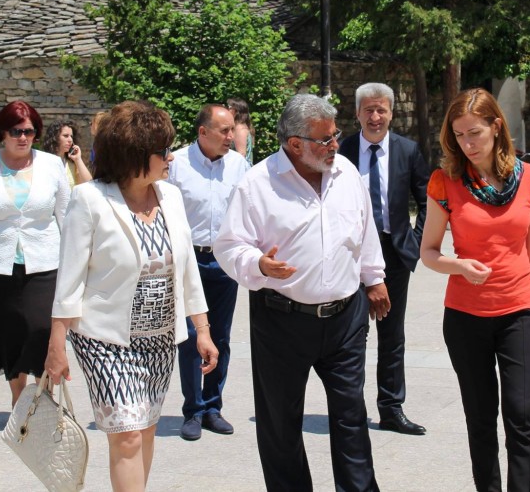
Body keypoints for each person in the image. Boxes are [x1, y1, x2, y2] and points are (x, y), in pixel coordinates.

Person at [214, 94, 389, 492]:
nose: (335, 145)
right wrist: (258, 264)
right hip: (282, 320)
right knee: (280, 422)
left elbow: (364, 232)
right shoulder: (257, 183)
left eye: (336, 135)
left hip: (345, 318)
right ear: (295, 144)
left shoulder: (346, 173)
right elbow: (229, 245)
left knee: (351, 416)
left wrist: (374, 278)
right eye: (325, 139)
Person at [47, 101, 217, 492]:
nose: (171, 157)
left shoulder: (170, 196)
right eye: (162, 150)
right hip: (105, 340)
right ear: (134, 155)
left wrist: (202, 330)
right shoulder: (89, 199)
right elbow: (69, 278)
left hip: (160, 339)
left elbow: (186, 268)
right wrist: (56, 345)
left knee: (146, 429)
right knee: (126, 435)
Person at [419, 88, 530, 492]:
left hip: (519, 312)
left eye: (475, 133)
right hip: (465, 318)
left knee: (522, 416)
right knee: (481, 419)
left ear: (496, 127)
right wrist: (458, 265)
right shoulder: (445, 182)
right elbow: (429, 252)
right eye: (459, 135)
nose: (467, 144)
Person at [0, 100, 70, 407]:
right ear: (2, 133)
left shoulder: (53, 165)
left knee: (42, 331)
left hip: (44, 265)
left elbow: (66, 217)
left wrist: (76, 262)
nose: (23, 137)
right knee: (9, 336)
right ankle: (19, 401)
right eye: (16, 131)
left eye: (29, 131)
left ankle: (45, 401)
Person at [338, 82, 430, 436]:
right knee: (352, 335)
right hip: (352, 255)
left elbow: (428, 200)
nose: (375, 117)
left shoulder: (407, 150)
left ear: (391, 113)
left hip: (394, 253)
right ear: (357, 113)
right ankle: (351, 409)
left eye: (381, 110)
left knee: (392, 334)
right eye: (369, 110)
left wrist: (415, 244)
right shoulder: (342, 150)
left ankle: (391, 408)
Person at [167, 104, 249, 441]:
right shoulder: (177, 164)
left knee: (221, 336)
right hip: (189, 262)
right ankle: (193, 410)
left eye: (232, 129)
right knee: (190, 337)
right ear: (203, 132)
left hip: (224, 261)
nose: (231, 136)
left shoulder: (238, 165)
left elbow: (248, 210)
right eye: (225, 130)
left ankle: (213, 406)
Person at [43, 119, 93, 188]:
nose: (70, 140)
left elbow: (89, 184)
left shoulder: (73, 164)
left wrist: (78, 159)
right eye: (66, 136)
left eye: (71, 136)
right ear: (55, 138)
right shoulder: (44, 162)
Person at [226, 97, 255, 165]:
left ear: (236, 111)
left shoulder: (240, 129)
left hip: (240, 169)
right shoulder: (237, 127)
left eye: (229, 107)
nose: (226, 109)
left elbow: (241, 155)